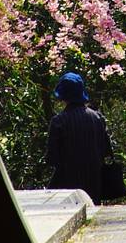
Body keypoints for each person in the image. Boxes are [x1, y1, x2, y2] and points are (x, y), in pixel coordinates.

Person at [46, 70, 115, 202]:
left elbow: (52, 158)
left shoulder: (59, 121)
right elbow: (106, 151)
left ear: (63, 96)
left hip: (68, 185)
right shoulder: (97, 117)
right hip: (95, 181)